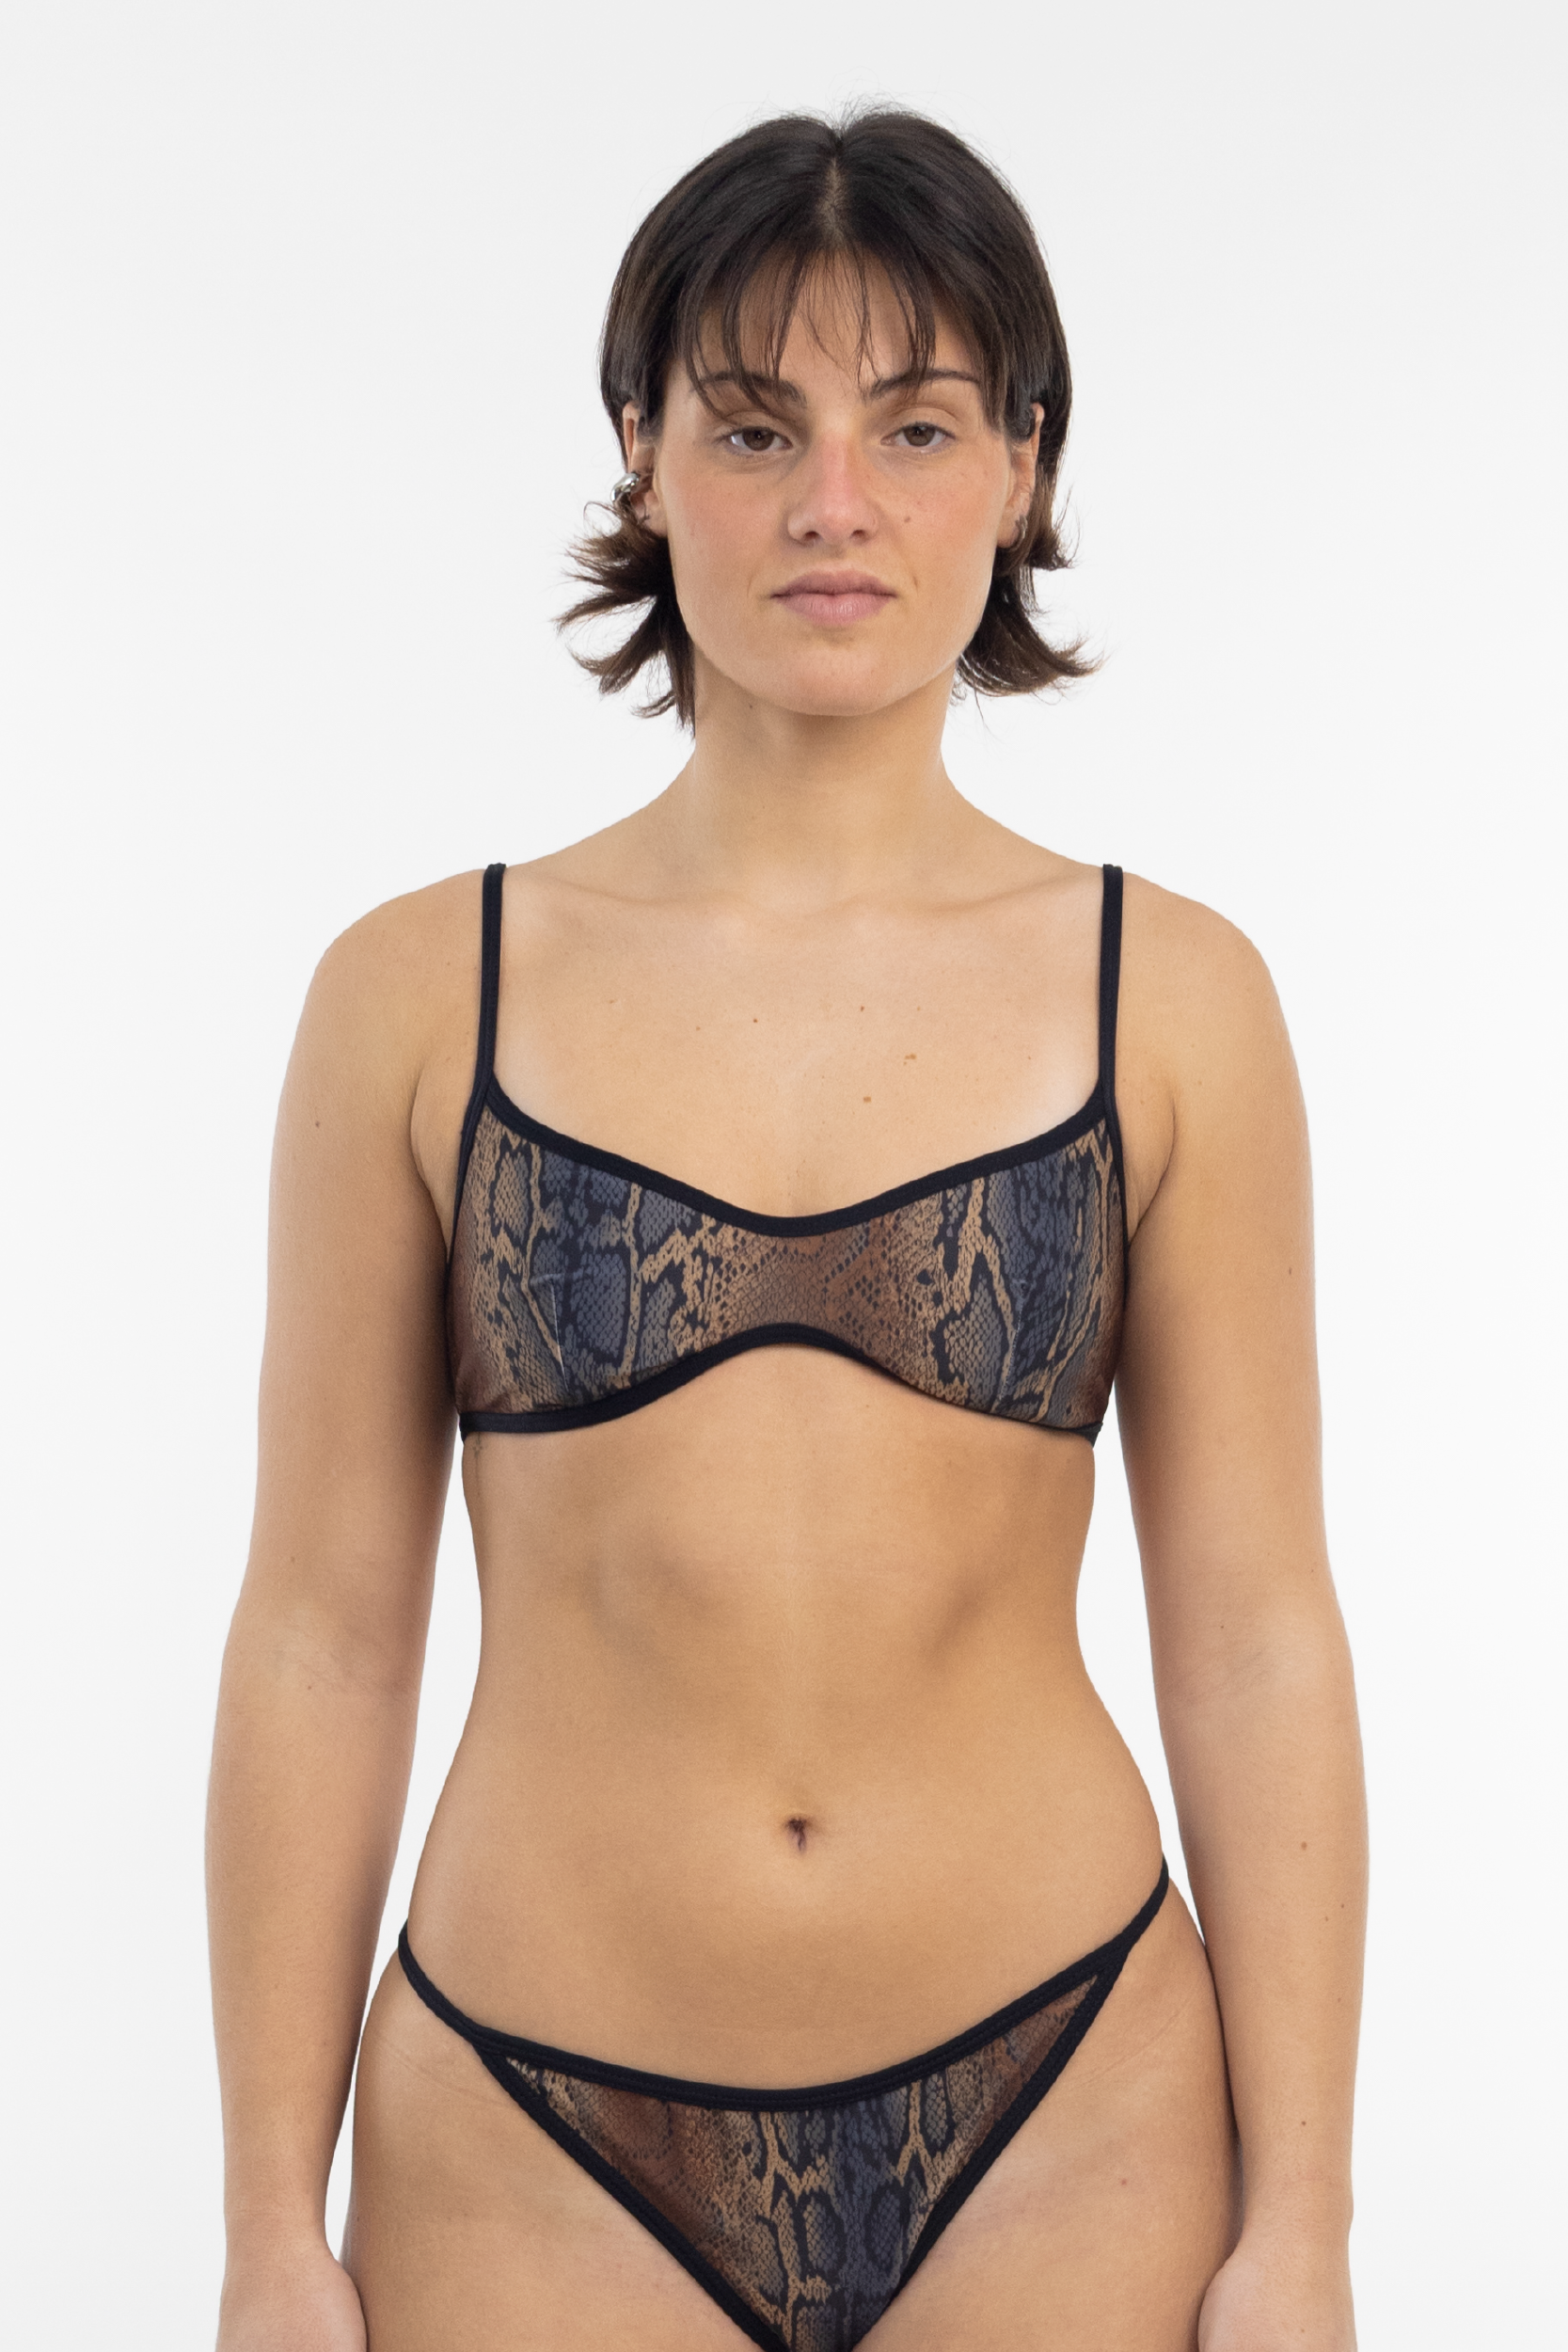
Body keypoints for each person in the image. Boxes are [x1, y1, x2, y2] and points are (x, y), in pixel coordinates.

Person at [207, 109, 1367, 2352]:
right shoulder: (418, 994)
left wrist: (1301, 2215)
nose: (833, 501)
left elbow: (1249, 1630)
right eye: (753, 426)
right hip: (528, 2122)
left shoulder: (1170, 998)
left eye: (911, 425)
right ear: (640, 458)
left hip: (1069, 2107)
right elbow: (321, 1634)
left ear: (1019, 464)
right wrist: (269, 2216)